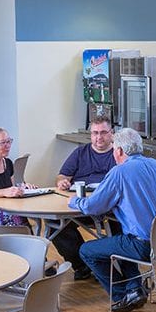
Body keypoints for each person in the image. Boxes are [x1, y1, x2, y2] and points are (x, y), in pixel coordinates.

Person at [71, 127, 156, 312]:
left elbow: (92, 207)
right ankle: (134, 289)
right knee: (121, 236)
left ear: (118, 150)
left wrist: (74, 201)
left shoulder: (120, 172)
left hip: (145, 245)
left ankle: (122, 296)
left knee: (87, 250)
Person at [50, 117, 121, 280]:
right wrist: (62, 182)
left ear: (112, 134)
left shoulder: (118, 154)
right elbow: (61, 175)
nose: (99, 137)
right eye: (95, 133)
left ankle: (116, 270)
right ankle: (82, 266)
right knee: (56, 226)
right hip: (80, 206)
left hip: (109, 208)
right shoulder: (80, 152)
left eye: (103, 132)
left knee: (119, 225)